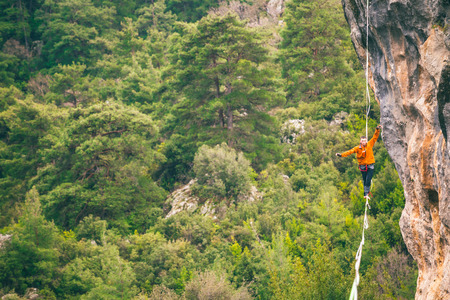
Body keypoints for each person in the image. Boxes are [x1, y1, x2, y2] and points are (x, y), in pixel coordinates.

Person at [336, 125, 382, 199]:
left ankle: (366, 194)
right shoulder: (357, 148)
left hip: (370, 165)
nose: (364, 142)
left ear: (366, 140)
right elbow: (349, 152)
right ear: (360, 141)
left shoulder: (369, 144)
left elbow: (375, 137)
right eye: (363, 141)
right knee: (365, 180)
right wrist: (341, 155)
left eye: (365, 140)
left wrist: (377, 129)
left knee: (368, 179)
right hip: (363, 166)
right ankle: (365, 194)